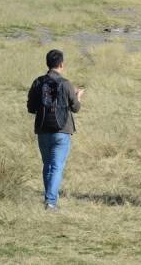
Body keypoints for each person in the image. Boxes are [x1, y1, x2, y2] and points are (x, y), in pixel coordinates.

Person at [27, 49, 84, 211]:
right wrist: (77, 96)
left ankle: (50, 198)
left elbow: (31, 108)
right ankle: (51, 202)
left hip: (42, 129)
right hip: (62, 131)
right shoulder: (66, 84)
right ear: (61, 64)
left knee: (47, 165)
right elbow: (76, 108)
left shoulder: (38, 82)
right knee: (57, 166)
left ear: (48, 64)